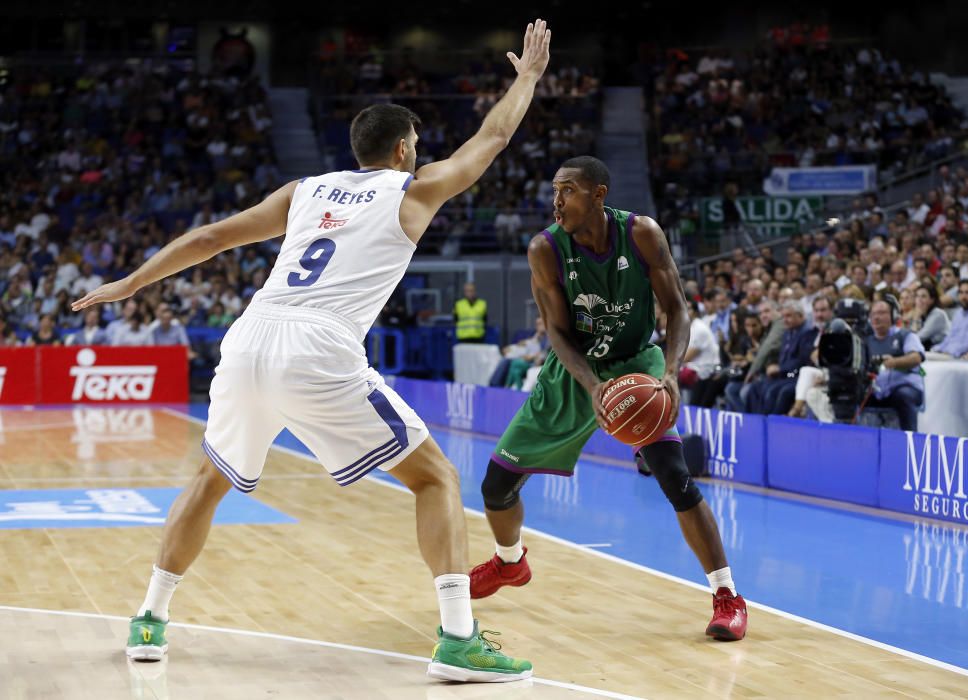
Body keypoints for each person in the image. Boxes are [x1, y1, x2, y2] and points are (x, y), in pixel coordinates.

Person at [72, 19, 553, 682]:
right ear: (404, 150)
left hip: (250, 338)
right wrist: (526, 78)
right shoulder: (413, 190)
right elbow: (493, 138)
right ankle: (458, 639)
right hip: (319, 346)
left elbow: (211, 237)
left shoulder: (305, 191)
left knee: (211, 479)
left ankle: (150, 619)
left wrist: (130, 282)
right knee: (435, 478)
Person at [468, 156, 748, 642]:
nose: (557, 201)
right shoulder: (545, 249)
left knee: (676, 477)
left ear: (599, 194)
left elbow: (677, 309)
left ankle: (727, 596)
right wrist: (593, 385)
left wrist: (674, 372)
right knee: (495, 488)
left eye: (568, 190)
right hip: (575, 372)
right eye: (554, 190)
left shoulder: (641, 234)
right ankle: (510, 562)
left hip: (638, 365)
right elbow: (556, 331)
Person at [745, 301, 817, 415]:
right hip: (784, 374)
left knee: (772, 391)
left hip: (795, 374)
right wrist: (773, 366)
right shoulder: (788, 331)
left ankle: (770, 423)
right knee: (755, 387)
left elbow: (802, 361)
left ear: (800, 315)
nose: (785, 320)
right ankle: (755, 422)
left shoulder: (808, 332)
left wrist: (780, 369)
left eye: (789, 316)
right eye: (783, 316)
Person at [864, 299, 925, 430]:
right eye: (873, 314)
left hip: (904, 385)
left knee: (903, 395)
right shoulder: (866, 340)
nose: (877, 317)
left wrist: (895, 362)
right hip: (877, 389)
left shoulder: (905, 335)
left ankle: (910, 439)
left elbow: (917, 357)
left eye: (882, 313)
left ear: (893, 315)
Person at [928, 279, 968, 358]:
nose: (963, 297)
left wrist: (948, 353)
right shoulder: (959, 313)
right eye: (961, 292)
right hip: (947, 354)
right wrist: (937, 349)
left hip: (961, 358)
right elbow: (950, 337)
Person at [909, 283, 950, 350]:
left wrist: (916, 318)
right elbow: (911, 335)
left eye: (923, 296)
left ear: (932, 300)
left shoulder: (938, 314)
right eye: (917, 296)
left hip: (943, 351)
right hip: (931, 351)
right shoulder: (921, 314)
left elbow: (919, 338)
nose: (919, 300)